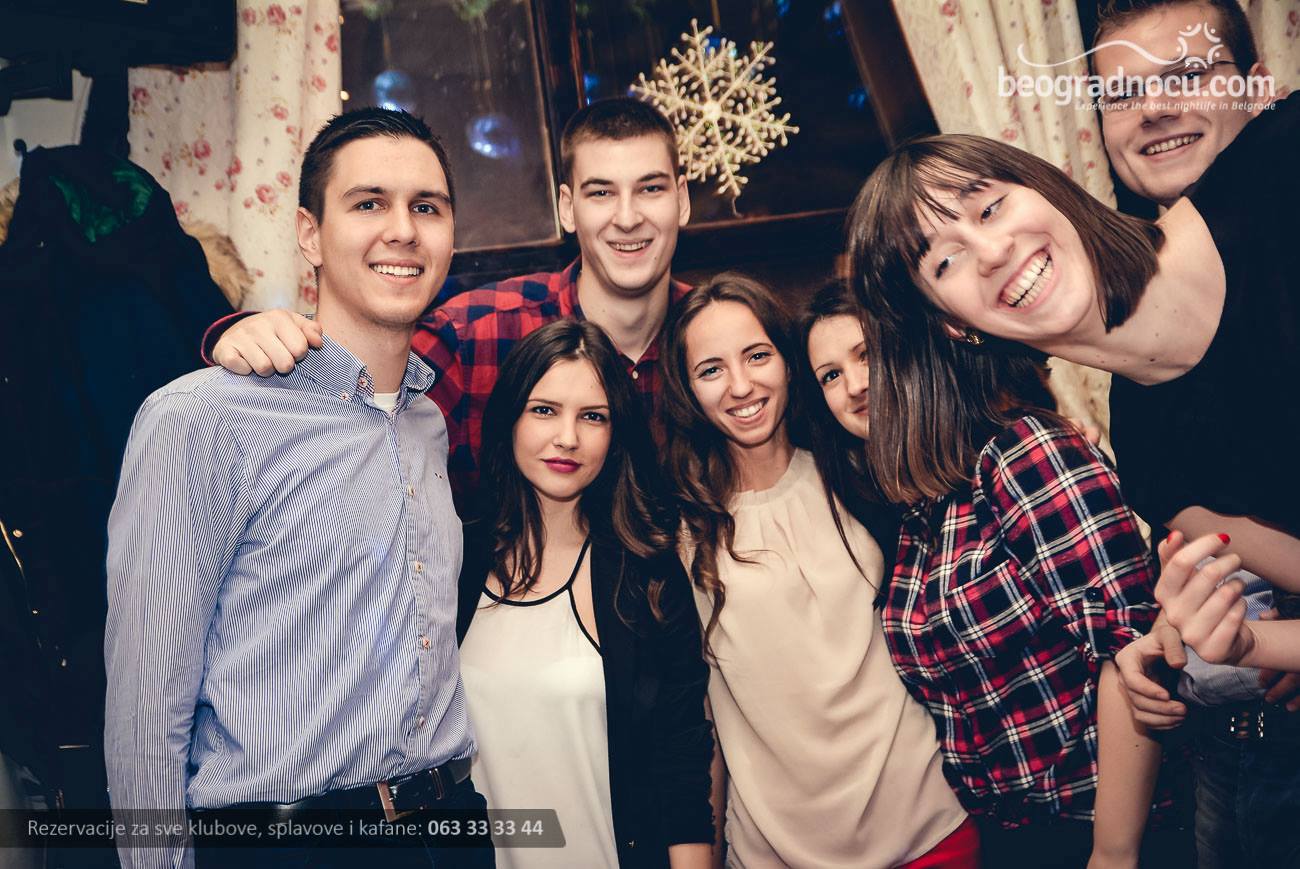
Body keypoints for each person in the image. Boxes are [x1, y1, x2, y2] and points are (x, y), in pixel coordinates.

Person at [105, 108, 491, 869]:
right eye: (369, 203)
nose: (403, 231)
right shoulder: (202, 419)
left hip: (450, 825)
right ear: (310, 235)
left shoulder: (427, 422)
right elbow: (147, 705)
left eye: (427, 207)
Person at [800, 278, 1167, 866]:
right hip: (1008, 835)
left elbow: (1131, 648)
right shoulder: (915, 510)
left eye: (867, 354)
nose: (854, 385)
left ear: (916, 348)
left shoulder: (1023, 452)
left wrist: (1113, 851)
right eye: (829, 375)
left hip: (1105, 821)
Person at [203, 97, 692, 503]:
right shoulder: (478, 332)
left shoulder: (715, 338)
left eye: (650, 189)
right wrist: (248, 333)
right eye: (601, 193)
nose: (627, 218)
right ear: (567, 208)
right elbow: (360, 377)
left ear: (683, 200)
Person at [659, 273, 975, 868]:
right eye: (711, 369)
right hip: (777, 851)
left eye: (758, 356)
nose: (741, 385)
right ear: (687, 390)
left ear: (789, 361)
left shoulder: (866, 472)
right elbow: (697, 726)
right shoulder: (678, 530)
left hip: (929, 826)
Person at [1089, 4, 1300, 864]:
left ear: (1259, 88)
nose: (1154, 109)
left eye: (1187, 75)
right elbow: (1242, 555)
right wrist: (1169, 644)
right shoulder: (1141, 382)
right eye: (1123, 94)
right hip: (1243, 760)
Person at [455, 318, 713, 869]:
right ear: (509, 419)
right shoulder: (454, 558)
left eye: (593, 416)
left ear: (615, 435)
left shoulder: (646, 574)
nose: (567, 437)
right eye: (544, 410)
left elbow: (681, 764)